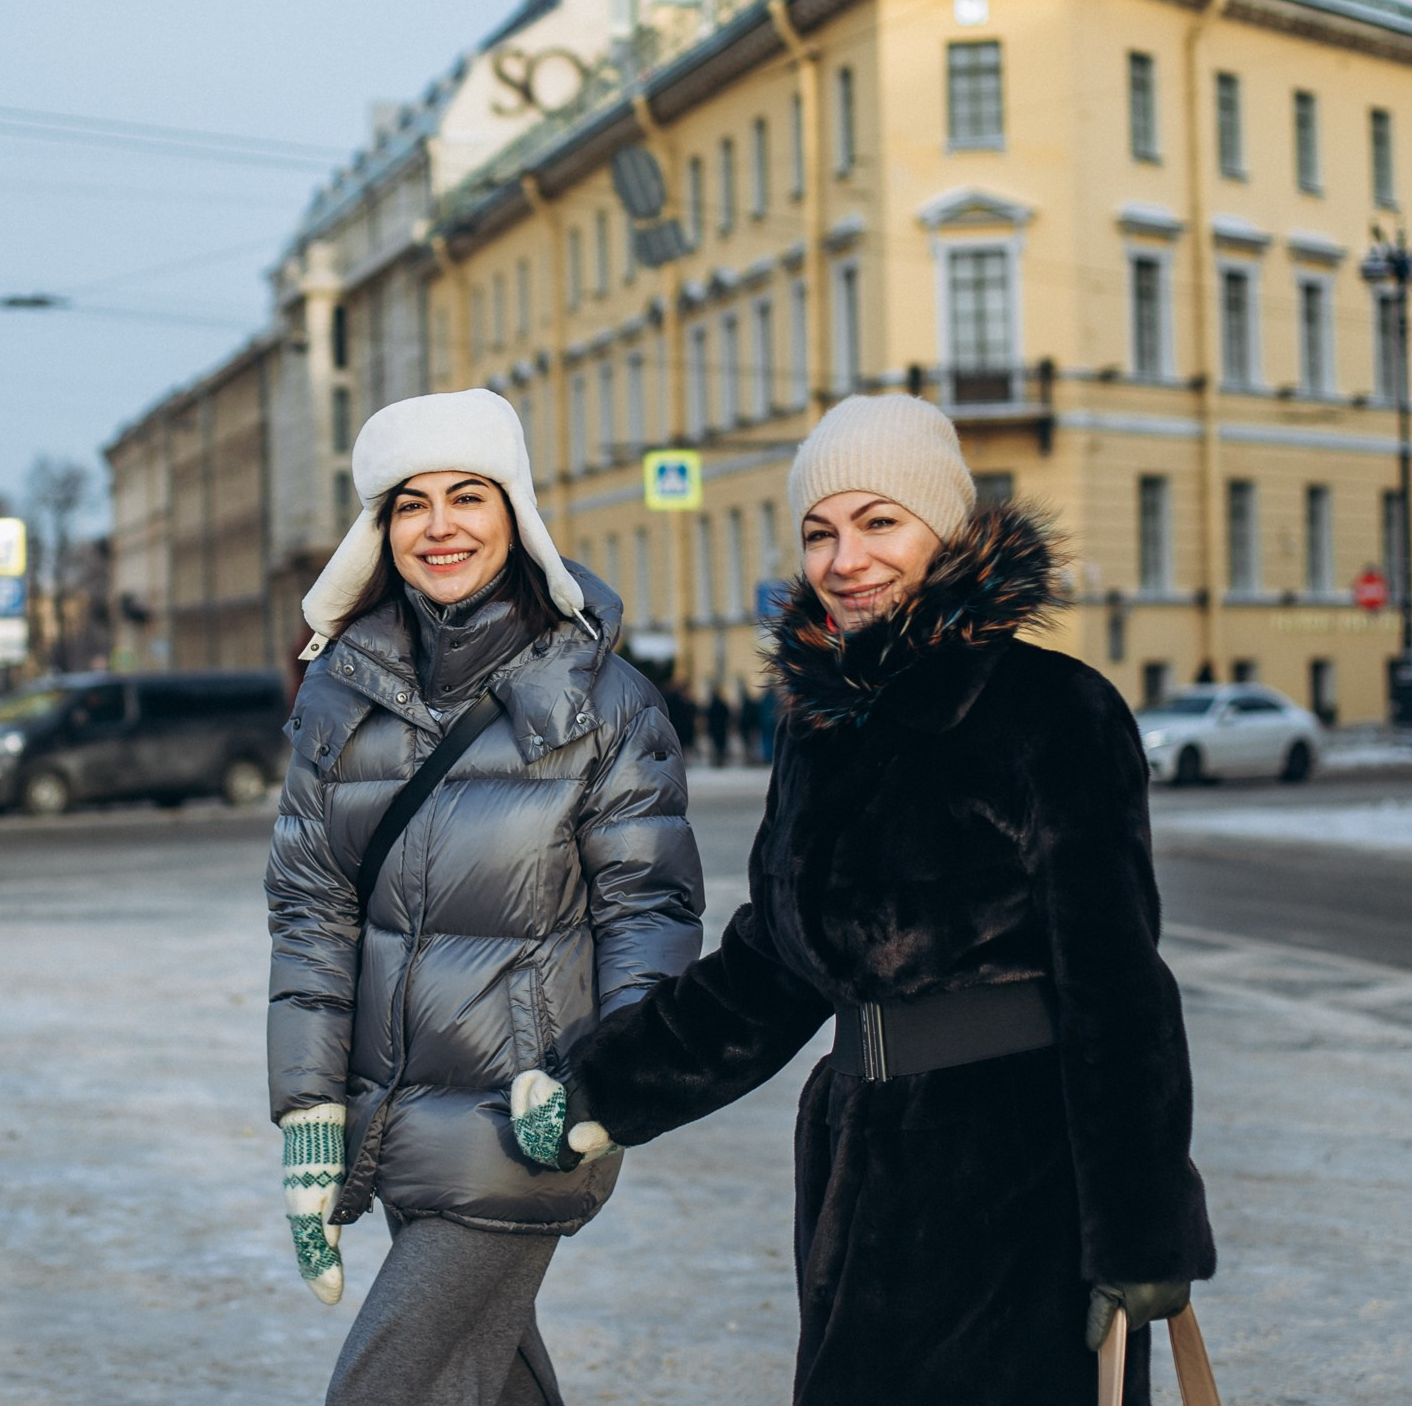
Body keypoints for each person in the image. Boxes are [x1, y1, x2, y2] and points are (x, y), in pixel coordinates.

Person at [509, 394, 1214, 1404]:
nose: (846, 559)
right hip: (861, 1161)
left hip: (1020, 1178)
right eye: (820, 531)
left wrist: (1140, 1231)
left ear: (947, 531)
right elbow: (772, 966)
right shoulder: (819, 728)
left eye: (880, 521)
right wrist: (604, 1086)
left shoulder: (1051, 709)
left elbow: (1119, 988)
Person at [265, 388, 703, 1406]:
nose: (441, 526)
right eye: (411, 503)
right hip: (392, 1116)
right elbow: (312, 909)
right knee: (494, 1382)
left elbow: (650, 914)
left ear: (516, 513)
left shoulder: (603, 702)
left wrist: (609, 1079)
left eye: (469, 495)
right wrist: (309, 1108)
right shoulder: (339, 694)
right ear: (382, 528)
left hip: (530, 1118)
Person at [704, 685, 733, 769]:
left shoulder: (711, 705)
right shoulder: (723, 704)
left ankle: (716, 760)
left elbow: (707, 716)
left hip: (713, 728)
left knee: (715, 745)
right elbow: (728, 716)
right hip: (722, 728)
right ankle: (720, 760)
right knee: (721, 745)